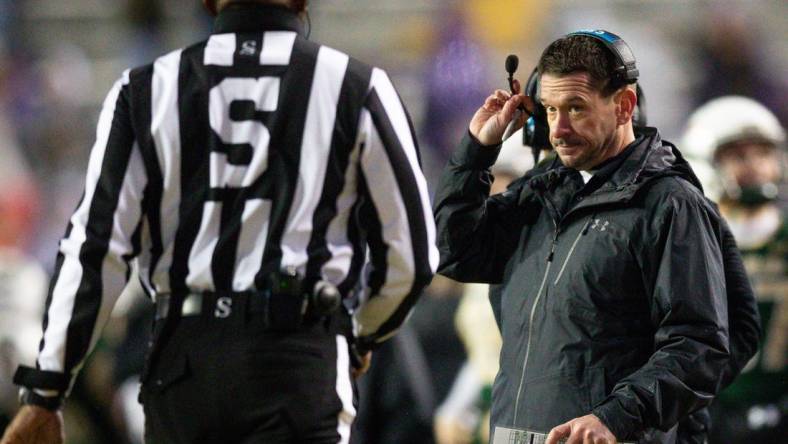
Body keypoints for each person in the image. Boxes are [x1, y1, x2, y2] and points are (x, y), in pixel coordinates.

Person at [1, 0, 438, 443]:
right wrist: (362, 336)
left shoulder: (144, 90)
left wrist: (46, 390)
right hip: (298, 354)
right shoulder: (358, 86)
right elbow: (412, 260)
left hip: (185, 360)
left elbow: (95, 249)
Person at [434, 30, 730, 444]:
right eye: (551, 110)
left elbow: (699, 347)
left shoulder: (670, 205)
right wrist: (476, 151)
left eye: (576, 108)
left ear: (624, 105)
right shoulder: (538, 194)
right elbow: (454, 253)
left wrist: (616, 418)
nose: (559, 129)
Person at [681, 96, 786, 443]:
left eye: (763, 153)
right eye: (738, 155)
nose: (755, 165)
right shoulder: (688, 241)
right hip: (709, 415)